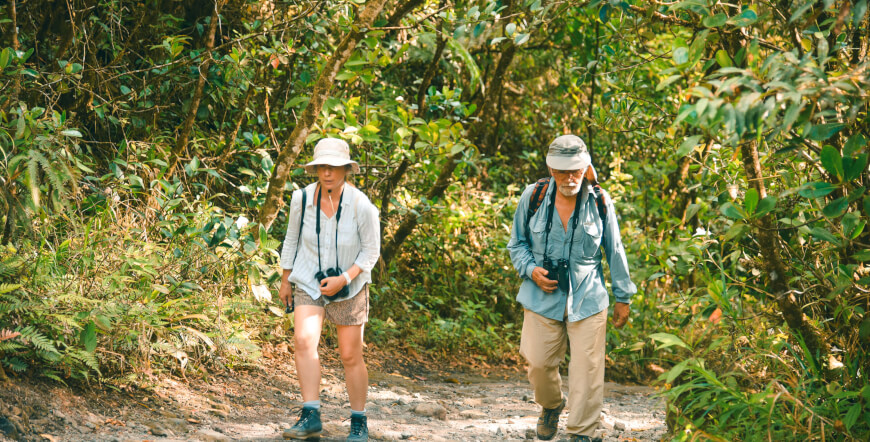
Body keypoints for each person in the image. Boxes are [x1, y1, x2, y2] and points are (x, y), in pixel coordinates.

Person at [507, 135, 637, 442]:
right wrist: (531, 270)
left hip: (589, 297)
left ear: (586, 167)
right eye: (562, 170)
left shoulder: (601, 201)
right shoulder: (534, 196)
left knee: (587, 372)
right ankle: (551, 405)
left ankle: (581, 432)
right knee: (538, 363)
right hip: (542, 296)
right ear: (551, 169)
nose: (569, 177)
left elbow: (614, 250)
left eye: (576, 170)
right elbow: (517, 243)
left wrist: (623, 297)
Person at [278, 138, 380, 441]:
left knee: (350, 354)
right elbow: (291, 239)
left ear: (346, 169)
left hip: (350, 284)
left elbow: (370, 253)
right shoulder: (301, 198)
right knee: (303, 340)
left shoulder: (362, 205)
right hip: (309, 277)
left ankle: (358, 421)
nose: (327, 173)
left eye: (334, 167)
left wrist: (344, 279)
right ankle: (311, 414)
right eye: (322, 166)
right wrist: (286, 279)